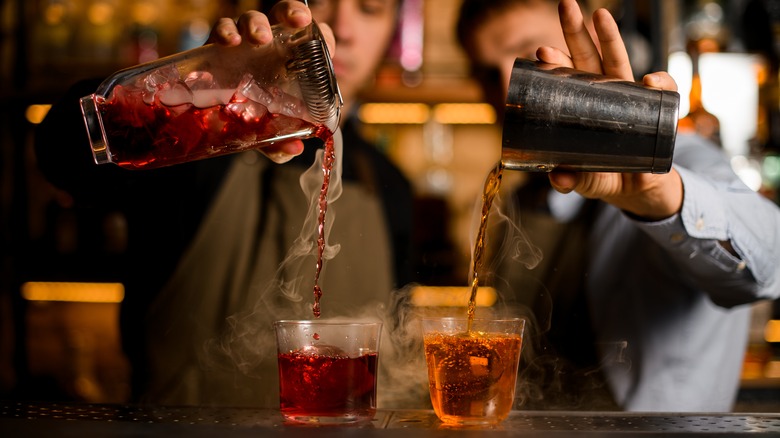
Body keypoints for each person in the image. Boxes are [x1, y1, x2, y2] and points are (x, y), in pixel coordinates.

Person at [34, 0, 413, 408]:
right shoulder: (195, 141)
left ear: (393, 29)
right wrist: (197, 92)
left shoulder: (390, 184)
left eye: (370, 7)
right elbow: (62, 155)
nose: (344, 28)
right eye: (318, 1)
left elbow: (396, 347)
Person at [456, 0, 780, 411]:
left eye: (525, 56)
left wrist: (664, 200)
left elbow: (769, 264)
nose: (506, 87)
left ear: (585, 44)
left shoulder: (680, 162)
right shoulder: (524, 199)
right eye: (487, 72)